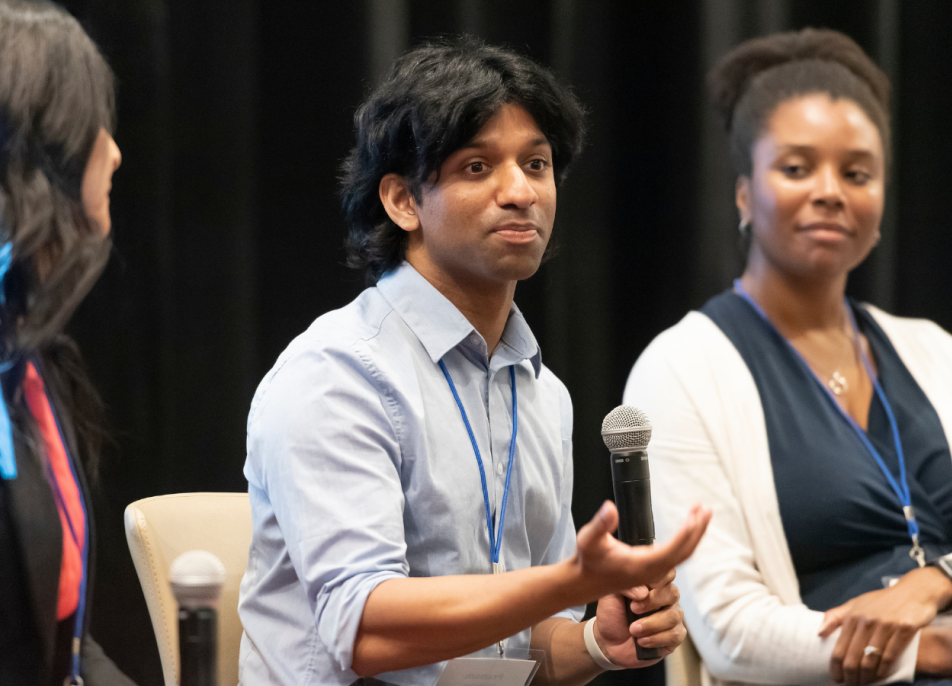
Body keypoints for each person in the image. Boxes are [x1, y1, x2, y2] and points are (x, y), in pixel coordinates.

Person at [624, 28, 952, 686]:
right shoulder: (682, 368)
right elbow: (728, 630)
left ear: (881, 198)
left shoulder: (935, 351)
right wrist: (934, 650)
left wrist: (932, 588)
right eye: (797, 168)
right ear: (744, 193)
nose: (831, 190)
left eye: (857, 172)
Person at [238, 38, 712, 686]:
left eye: (537, 164)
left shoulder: (544, 396)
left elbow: (526, 649)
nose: (520, 191)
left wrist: (600, 642)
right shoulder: (337, 374)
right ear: (403, 201)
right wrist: (568, 580)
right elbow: (363, 629)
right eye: (477, 167)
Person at [0, 0, 131, 684]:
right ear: (26, 149)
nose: (116, 152)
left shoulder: (11, 347)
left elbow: (65, 649)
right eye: (93, 124)